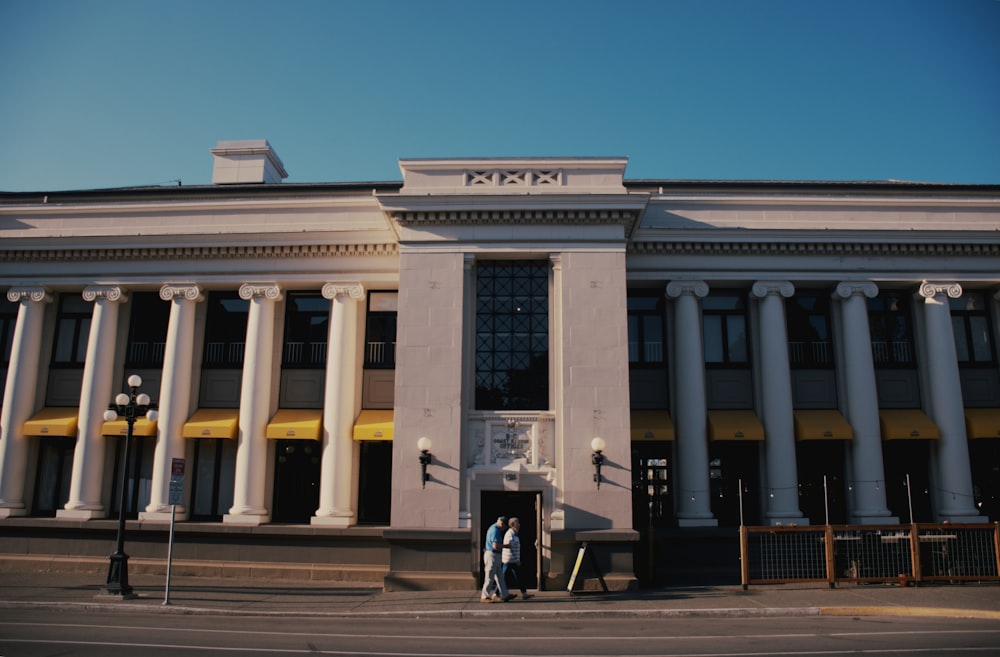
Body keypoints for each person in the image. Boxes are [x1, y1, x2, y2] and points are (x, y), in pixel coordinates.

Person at [480, 516, 514, 602]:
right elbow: (495, 545)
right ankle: (484, 596)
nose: (504, 529)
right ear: (502, 524)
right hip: (492, 554)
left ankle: (505, 594)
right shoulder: (495, 530)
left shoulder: (495, 529)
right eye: (505, 527)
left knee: (500, 576)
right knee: (489, 576)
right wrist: (506, 546)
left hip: (495, 555)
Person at [502, 516, 529, 599]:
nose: (519, 524)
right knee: (502, 577)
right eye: (517, 523)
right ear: (513, 524)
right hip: (509, 560)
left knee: (518, 576)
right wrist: (517, 560)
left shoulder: (515, 533)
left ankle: (524, 593)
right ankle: (496, 593)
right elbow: (511, 547)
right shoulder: (510, 534)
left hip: (512, 560)